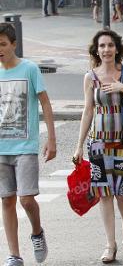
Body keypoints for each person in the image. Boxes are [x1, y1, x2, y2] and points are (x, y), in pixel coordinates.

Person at [72, 30, 123, 262]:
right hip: (98, 143)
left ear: (117, 48)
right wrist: (79, 145)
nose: (106, 50)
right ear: (96, 50)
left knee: (122, 193)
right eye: (102, 46)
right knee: (104, 193)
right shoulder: (90, 77)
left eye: (110, 45)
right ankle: (110, 244)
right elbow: (88, 111)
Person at [0, 23, 55, 266]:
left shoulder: (30, 69)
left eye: (3, 44)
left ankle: (37, 232)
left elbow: (45, 102)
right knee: (7, 200)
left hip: (25, 147)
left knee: (26, 199)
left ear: (14, 44)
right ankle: (14, 254)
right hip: (1, 148)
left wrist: (51, 139)